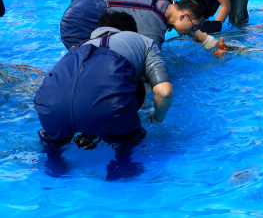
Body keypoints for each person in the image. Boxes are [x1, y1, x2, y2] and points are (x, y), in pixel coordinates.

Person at [34, 12, 173, 146]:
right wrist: (157, 120)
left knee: (53, 152)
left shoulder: (76, 48)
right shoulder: (143, 41)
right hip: (108, 109)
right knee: (127, 152)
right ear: (130, 32)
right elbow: (164, 92)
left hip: (50, 105)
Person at [61, 0, 208, 50]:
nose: (194, 30)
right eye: (194, 26)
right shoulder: (153, 36)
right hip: (76, 26)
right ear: (183, 15)